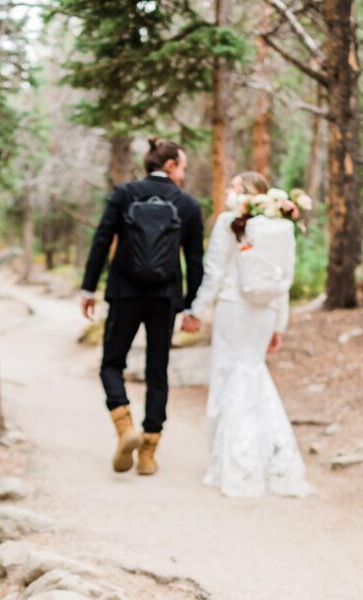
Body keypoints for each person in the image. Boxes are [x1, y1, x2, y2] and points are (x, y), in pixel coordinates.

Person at [80, 137, 204, 476]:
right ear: (169, 166)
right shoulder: (188, 205)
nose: (183, 175)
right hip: (165, 297)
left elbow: (102, 239)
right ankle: (149, 451)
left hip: (125, 291)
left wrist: (88, 287)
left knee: (111, 363)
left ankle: (124, 427)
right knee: (157, 371)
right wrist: (192, 307)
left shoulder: (124, 194)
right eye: (182, 168)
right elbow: (195, 260)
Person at [186, 171, 312, 498]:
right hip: (265, 312)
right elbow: (283, 280)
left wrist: (197, 311)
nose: (227, 191)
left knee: (227, 376)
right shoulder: (279, 227)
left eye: (232, 186)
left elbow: (213, 272)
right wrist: (279, 325)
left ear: (245, 193)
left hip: (233, 308)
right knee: (254, 373)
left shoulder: (232, 221)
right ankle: (269, 461)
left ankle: (229, 461)